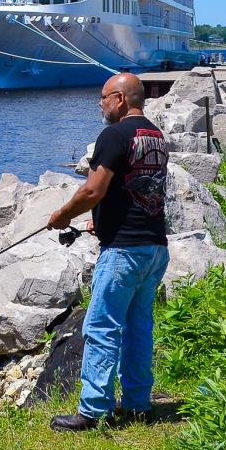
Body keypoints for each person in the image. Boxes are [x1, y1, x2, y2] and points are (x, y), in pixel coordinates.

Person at [47, 73, 169, 431]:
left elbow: (92, 191)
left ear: (119, 99)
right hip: (154, 246)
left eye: (102, 98)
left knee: (101, 327)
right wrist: (101, 222)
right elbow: (139, 190)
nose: (99, 104)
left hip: (124, 252)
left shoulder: (114, 135)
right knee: (138, 327)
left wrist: (62, 215)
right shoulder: (156, 136)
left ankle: (93, 409)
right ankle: (137, 404)